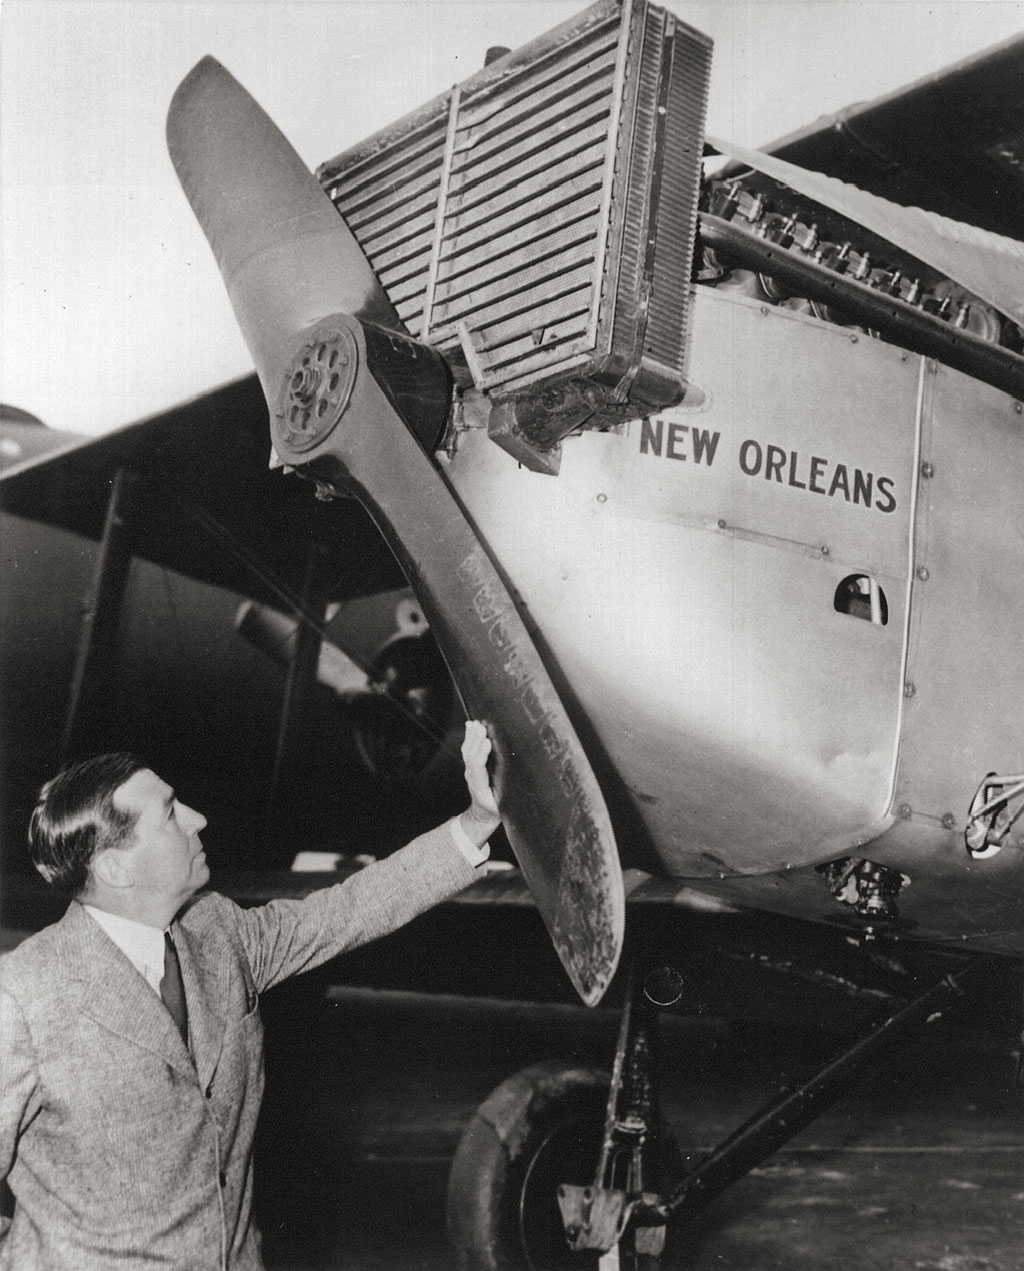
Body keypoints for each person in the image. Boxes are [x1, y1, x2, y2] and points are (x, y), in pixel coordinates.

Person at [0, 720, 500, 1270]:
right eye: (170, 814)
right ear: (116, 867)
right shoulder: (24, 996)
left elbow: (345, 911)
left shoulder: (217, 930)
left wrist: (475, 824)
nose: (198, 820)